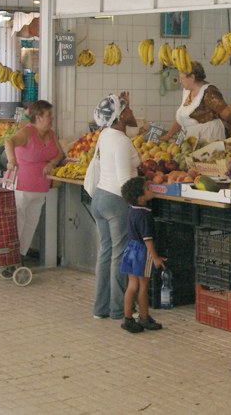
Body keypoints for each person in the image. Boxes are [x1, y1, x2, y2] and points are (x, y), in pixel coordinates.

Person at [91, 92, 140, 321]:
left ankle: (101, 308)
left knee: (106, 254)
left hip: (99, 198)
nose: (131, 111)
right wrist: (136, 205)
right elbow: (124, 181)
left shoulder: (105, 135)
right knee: (119, 256)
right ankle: (119, 309)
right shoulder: (120, 140)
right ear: (120, 116)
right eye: (127, 108)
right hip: (115, 200)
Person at [4, 100, 64, 258]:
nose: (51, 118)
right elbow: (9, 142)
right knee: (17, 222)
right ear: (38, 118)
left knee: (31, 223)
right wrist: (11, 160)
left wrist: (52, 163)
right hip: (21, 186)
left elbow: (59, 154)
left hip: (40, 187)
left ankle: (20, 257)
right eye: (48, 115)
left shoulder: (51, 134)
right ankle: (10, 258)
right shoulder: (27, 132)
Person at [118, 176, 166, 333]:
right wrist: (156, 258)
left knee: (132, 286)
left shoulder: (132, 210)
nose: (151, 189)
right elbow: (148, 241)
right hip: (142, 253)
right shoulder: (145, 215)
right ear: (140, 198)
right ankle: (144, 317)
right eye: (147, 188)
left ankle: (128, 319)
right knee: (143, 287)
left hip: (131, 249)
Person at [164, 61, 231, 144]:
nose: (180, 81)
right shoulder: (187, 92)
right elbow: (180, 117)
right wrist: (169, 135)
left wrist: (225, 125)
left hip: (209, 139)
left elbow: (227, 114)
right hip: (191, 141)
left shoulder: (209, 92)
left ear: (192, 77)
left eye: (182, 78)